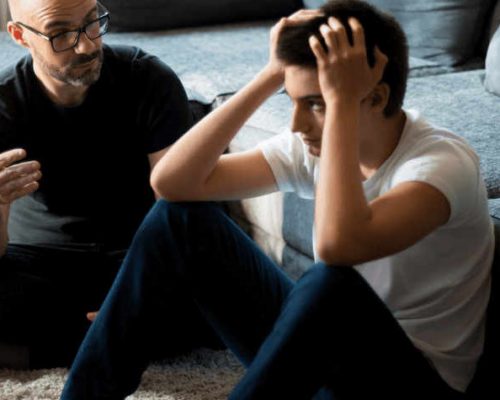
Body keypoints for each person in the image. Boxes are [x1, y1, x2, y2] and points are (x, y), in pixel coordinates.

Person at [60, 0, 493, 398]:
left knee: (332, 285)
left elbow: (337, 247)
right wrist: (270, 74)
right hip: (323, 362)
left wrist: (340, 102)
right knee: (177, 219)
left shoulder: (440, 165)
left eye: (316, 104)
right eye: (292, 99)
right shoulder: (310, 145)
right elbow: (171, 183)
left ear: (375, 96)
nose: (298, 123)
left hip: (410, 384)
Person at [0, 0, 200, 369]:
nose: (88, 45)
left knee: (206, 283)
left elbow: (179, 213)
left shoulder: (148, 78)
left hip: (137, 253)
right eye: (61, 34)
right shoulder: (4, 102)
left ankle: (51, 347)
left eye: (93, 22)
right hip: (38, 263)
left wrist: (138, 289)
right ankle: (119, 339)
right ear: (20, 36)